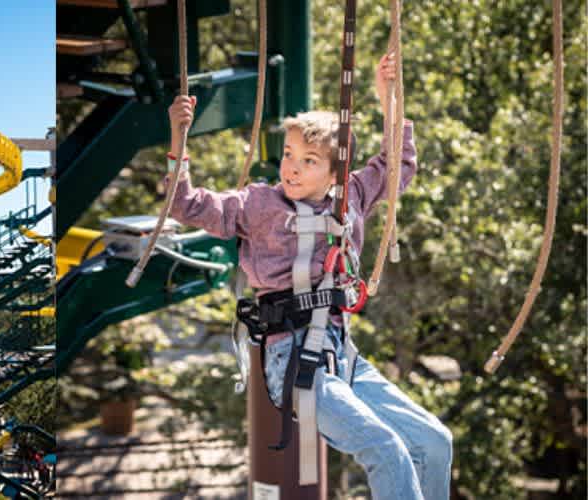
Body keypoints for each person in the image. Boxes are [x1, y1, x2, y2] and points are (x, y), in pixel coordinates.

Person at [164, 52, 452, 500]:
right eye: (289, 155)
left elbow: (399, 167)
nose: (292, 168)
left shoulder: (351, 196)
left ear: (335, 171)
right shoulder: (258, 205)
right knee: (387, 449)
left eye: (310, 160)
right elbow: (186, 205)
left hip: (342, 355)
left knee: (435, 443)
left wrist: (388, 100)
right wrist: (178, 138)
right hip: (293, 361)